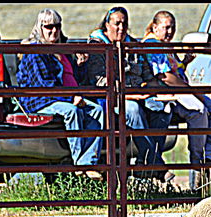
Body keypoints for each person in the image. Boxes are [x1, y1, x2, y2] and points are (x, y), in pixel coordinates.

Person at [85, 6, 174, 182]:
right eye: (116, 23)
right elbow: (99, 80)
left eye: (124, 24)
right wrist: (127, 93)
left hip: (138, 92)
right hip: (113, 97)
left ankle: (145, 161)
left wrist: (152, 88)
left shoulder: (132, 45)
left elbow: (146, 72)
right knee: (133, 110)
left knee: (163, 108)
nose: (120, 28)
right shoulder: (98, 46)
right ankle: (155, 164)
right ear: (107, 25)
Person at [16, 8, 104, 181]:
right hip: (40, 100)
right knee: (72, 111)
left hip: (63, 97)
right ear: (40, 28)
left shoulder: (62, 50)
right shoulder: (36, 52)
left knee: (98, 111)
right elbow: (44, 86)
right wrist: (71, 98)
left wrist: (80, 65)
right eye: (49, 27)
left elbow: (72, 79)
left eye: (57, 26)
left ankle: (89, 162)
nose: (54, 31)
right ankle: (79, 164)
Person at [141, 10, 211, 187]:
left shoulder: (165, 45)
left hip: (179, 89)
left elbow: (174, 70)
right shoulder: (153, 45)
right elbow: (165, 76)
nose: (170, 32)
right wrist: (191, 90)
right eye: (166, 27)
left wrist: (185, 63)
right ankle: (198, 161)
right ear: (155, 27)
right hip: (167, 92)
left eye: (172, 27)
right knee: (198, 110)